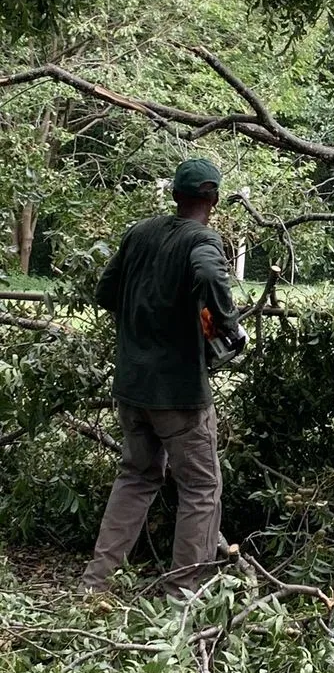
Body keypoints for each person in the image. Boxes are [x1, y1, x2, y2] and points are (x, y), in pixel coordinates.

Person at [80, 158, 245, 596]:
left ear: (175, 195)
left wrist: (142, 329)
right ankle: (183, 594)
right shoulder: (203, 239)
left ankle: (95, 585)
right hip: (179, 393)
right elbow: (210, 274)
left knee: (136, 476)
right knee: (202, 487)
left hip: (132, 386)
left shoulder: (139, 234)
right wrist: (227, 325)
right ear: (214, 199)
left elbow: (105, 292)